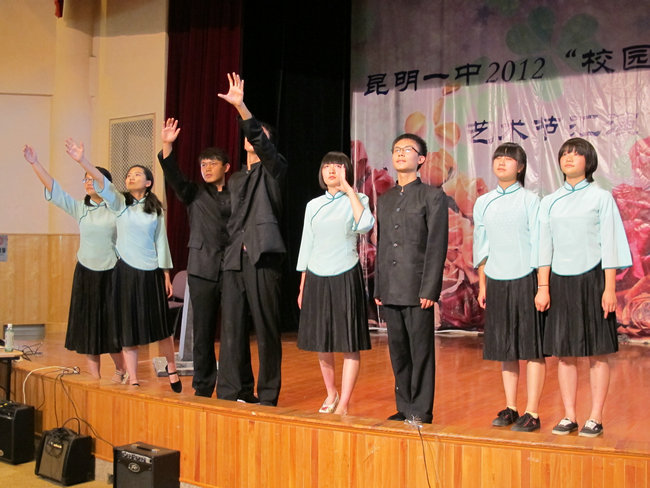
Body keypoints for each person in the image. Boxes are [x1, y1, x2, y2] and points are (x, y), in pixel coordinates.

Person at [65, 139, 182, 392]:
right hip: (126, 272)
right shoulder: (119, 203)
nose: (131, 177)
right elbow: (103, 183)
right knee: (128, 328)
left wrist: (166, 274)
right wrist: (82, 160)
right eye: (128, 175)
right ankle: (133, 378)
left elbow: (161, 242)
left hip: (151, 272)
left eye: (137, 174)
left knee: (162, 327)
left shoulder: (155, 209)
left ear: (148, 182)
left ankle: (172, 369)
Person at [537, 137, 631, 437]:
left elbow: (610, 243)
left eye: (576, 154)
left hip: (593, 280)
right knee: (564, 353)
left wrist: (609, 288)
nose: (569, 158)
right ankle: (569, 415)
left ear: (588, 162)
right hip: (559, 282)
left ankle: (595, 417)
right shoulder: (549, 201)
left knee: (597, 352)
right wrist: (543, 286)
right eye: (565, 154)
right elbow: (544, 247)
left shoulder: (601, 198)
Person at [22, 145, 126, 381]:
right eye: (85, 179)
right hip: (85, 272)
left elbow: (107, 187)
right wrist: (35, 163)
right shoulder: (80, 208)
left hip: (111, 273)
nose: (88, 183)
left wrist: (83, 160)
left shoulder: (117, 206)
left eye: (92, 179)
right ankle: (94, 378)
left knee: (110, 326)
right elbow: (55, 190)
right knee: (88, 327)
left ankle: (121, 370)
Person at [216, 72, 287, 406]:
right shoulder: (235, 179)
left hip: (262, 256)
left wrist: (242, 108)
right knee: (231, 330)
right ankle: (235, 390)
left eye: (259, 134)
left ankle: (268, 394)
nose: (252, 137)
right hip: (235, 259)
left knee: (266, 328)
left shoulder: (274, 170)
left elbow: (260, 139)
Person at [374, 133, 448, 424]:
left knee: (420, 352)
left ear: (421, 159)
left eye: (408, 149)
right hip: (391, 286)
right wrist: (379, 286)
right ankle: (404, 406)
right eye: (396, 149)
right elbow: (382, 246)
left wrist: (430, 288)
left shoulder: (432, 196)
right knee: (398, 352)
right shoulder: (386, 199)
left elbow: (436, 246)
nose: (401, 153)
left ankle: (421, 410)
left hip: (418, 288)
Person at [472, 142, 546, 432]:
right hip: (497, 280)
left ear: (521, 167)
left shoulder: (531, 200)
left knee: (532, 348)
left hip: (526, 278)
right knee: (506, 348)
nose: (502, 162)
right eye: (498, 158)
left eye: (509, 158)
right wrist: (483, 284)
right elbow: (482, 247)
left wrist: (542, 286)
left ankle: (533, 412)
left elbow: (540, 243)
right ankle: (511, 407)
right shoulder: (483, 202)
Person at [296, 152, 375, 415]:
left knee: (349, 342)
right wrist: (302, 284)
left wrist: (349, 190)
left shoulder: (358, 199)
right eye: (327, 166)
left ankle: (344, 403)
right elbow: (306, 244)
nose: (332, 170)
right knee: (322, 341)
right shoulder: (313, 205)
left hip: (345, 272)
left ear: (347, 171)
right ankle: (331, 393)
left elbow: (365, 225)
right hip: (316, 276)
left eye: (338, 166)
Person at [158, 118, 231, 397]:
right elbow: (174, 175)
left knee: (233, 332)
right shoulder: (194, 193)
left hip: (232, 268)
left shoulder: (238, 193)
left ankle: (232, 386)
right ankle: (203, 385)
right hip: (201, 269)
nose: (207, 168)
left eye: (213, 163)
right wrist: (167, 145)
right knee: (202, 332)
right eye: (203, 164)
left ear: (226, 167)